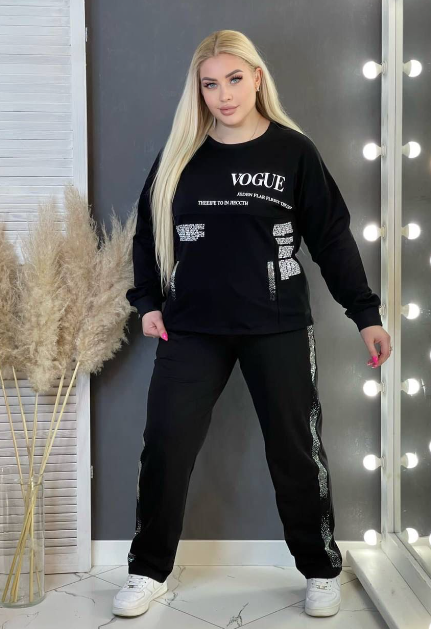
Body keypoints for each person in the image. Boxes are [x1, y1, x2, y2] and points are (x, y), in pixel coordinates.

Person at [113, 29, 392, 619]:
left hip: (278, 324)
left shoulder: (294, 153)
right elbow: (148, 232)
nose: (224, 95)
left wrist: (364, 313)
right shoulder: (180, 156)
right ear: (198, 91)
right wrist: (148, 302)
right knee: (164, 444)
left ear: (257, 78)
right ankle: (147, 570)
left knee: (296, 449)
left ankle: (321, 569)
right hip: (192, 328)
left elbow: (332, 238)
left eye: (234, 79)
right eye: (210, 84)